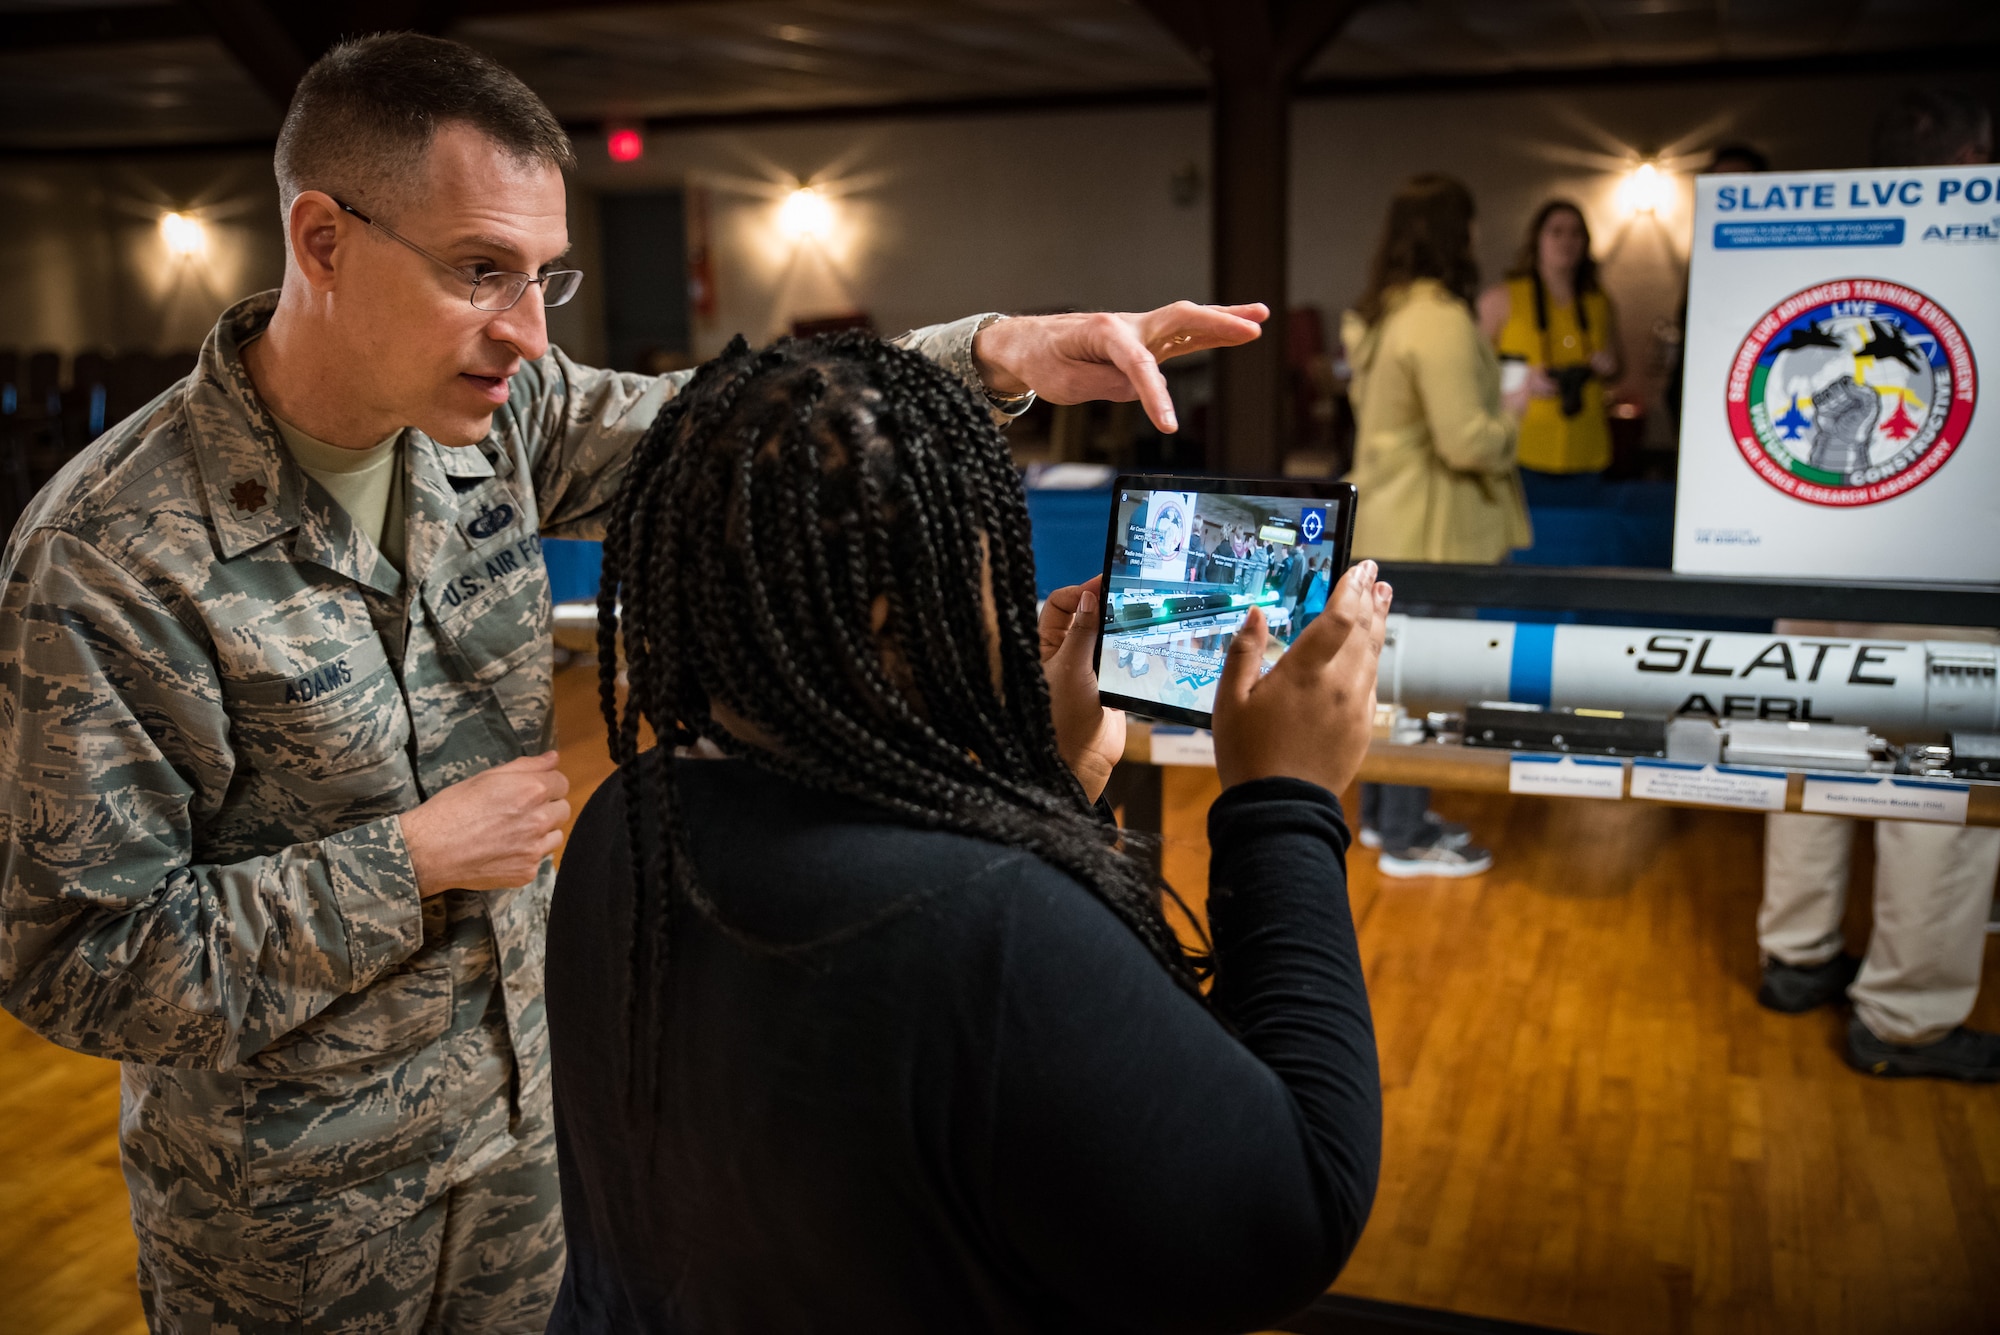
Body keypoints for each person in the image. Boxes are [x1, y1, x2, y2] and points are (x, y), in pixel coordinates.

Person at [0, 33, 1267, 1332]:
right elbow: (72, 958)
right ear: (319, 240)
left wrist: (999, 351)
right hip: (290, 1218)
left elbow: (746, 421)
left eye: (547, 276)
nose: (527, 332)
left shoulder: (507, 417)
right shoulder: (111, 553)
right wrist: (409, 861)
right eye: (480, 271)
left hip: (534, 1149)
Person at [543, 334, 1389, 1333]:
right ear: (896, 602)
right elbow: (1288, 1220)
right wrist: (1281, 800)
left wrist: (1046, 780)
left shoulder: (628, 819)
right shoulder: (981, 925)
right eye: (980, 551)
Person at [1755, 90, 1999, 1082]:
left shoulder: (1798, 254)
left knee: (1802, 741)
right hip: (1939, 559)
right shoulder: (1977, 252)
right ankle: (1901, 1016)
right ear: (1974, 156)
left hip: (1800, 539)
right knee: (1935, 787)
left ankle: (1795, 953)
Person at [1343, 173, 1530, 878]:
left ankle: (1379, 818)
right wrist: (1514, 417)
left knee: (1388, 680)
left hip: (1389, 520)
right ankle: (1408, 835)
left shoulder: (1380, 313)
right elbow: (1466, 441)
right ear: (1457, 233)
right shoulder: (1439, 318)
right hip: (1437, 530)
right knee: (1424, 687)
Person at [1478, 199, 1624, 491]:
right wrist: (1525, 378)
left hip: (1588, 448)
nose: (1567, 241)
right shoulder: (1501, 298)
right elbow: (1473, 370)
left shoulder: (1599, 302)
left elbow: (1620, 368)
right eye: (1556, 232)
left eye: (1575, 233)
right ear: (1537, 240)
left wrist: (1606, 365)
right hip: (1522, 449)